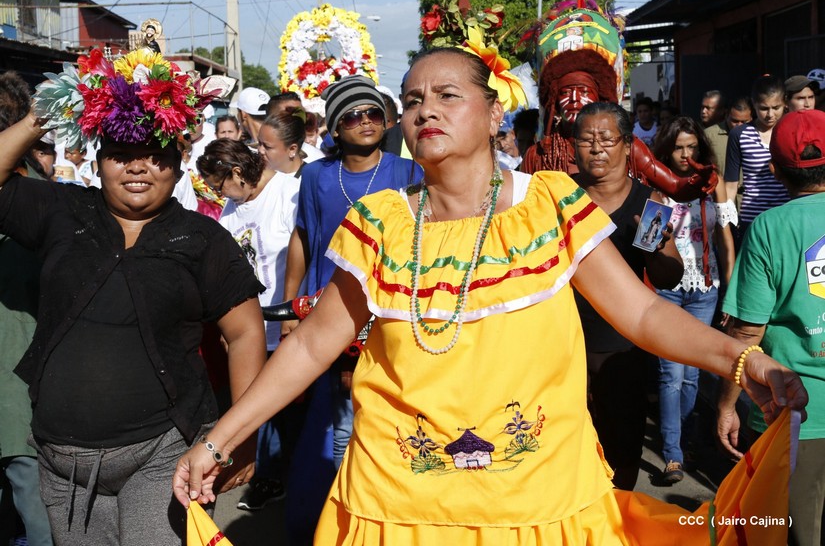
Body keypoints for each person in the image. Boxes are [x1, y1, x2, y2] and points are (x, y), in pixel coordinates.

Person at [174, 45, 806, 546]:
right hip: (400, 506)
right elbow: (311, 346)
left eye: (447, 95)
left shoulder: (548, 204)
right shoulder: (380, 223)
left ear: (494, 112)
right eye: (413, 100)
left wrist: (742, 360)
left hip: (536, 501)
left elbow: (641, 312)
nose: (426, 110)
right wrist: (219, 439)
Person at [2, 48, 267, 545]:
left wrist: (241, 435)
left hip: (162, 455)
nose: (138, 167)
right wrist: (44, 115)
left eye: (155, 154)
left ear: (178, 164)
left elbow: (245, 334)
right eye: (121, 154)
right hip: (62, 465)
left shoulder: (203, 238)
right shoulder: (62, 210)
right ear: (99, 161)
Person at [278, 74, 422, 542]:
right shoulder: (317, 175)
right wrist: (291, 305)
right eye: (353, 116)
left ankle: (386, 510)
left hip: (392, 310)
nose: (365, 121)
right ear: (336, 127)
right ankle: (345, 519)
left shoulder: (408, 171)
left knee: (388, 412)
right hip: (332, 311)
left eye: (373, 113)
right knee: (342, 417)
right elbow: (303, 238)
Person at [717, 109, 825, 546]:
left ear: (775, 170)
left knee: (794, 533)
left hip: (795, 415)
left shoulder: (769, 228)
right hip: (797, 414)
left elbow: (747, 334)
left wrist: (727, 405)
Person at [572, 101, 684, 490]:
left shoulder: (649, 202)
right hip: (567, 342)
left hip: (624, 348)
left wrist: (655, 249)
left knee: (621, 451)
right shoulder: (560, 198)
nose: (596, 148)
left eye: (606, 139)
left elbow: (669, 277)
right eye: (586, 139)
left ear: (627, 145)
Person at [197, 118, 302, 511]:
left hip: (287, 323)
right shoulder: (232, 207)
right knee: (260, 409)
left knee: (290, 414)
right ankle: (268, 479)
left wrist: (293, 314)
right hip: (252, 330)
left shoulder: (288, 192)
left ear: (238, 172)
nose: (217, 193)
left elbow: (303, 254)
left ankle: (290, 483)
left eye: (218, 184)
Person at [521, 6, 716, 202]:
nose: (574, 98)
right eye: (565, 92)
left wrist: (699, 183)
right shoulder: (538, 155)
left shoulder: (626, 145)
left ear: (599, 98)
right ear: (554, 101)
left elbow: (675, 187)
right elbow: (522, 208)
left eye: (584, 91)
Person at [652, 116, 736, 483]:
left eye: (692, 147)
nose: (686, 155)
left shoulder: (712, 183)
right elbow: (646, 243)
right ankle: (672, 454)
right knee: (671, 374)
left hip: (705, 288)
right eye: (678, 148)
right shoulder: (656, 186)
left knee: (691, 376)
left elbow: (724, 239)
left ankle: (684, 444)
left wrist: (731, 291)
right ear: (667, 151)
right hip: (667, 290)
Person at [0, 70, 53, 546]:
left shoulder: (36, 194)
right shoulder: (42, 187)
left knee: (39, 522)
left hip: (19, 397)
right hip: (23, 395)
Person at [725, 75, 789, 238]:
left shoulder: (792, 131)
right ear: (754, 104)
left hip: (787, 216)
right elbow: (730, 185)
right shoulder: (739, 134)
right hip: (752, 219)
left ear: (785, 103)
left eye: (776, 107)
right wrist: (727, 222)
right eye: (764, 108)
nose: (770, 114)